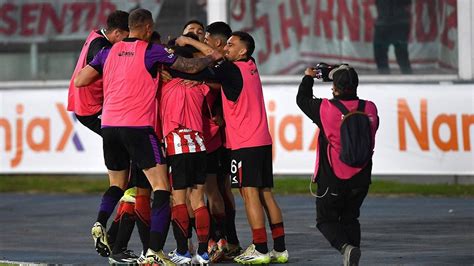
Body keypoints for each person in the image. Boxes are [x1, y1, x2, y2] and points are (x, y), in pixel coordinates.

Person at [74, 8, 221, 265]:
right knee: (161, 187)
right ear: (148, 28)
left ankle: (100, 221)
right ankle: (154, 250)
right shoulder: (150, 50)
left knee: (118, 185)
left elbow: (80, 80)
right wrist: (211, 58)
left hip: (109, 126)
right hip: (138, 127)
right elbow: (188, 65)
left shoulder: (109, 52)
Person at [179, 31, 289, 264]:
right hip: (261, 140)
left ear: (243, 51)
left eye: (231, 44)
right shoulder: (250, 65)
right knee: (266, 194)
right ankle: (279, 249)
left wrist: (188, 41)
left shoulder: (231, 69)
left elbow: (206, 63)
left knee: (249, 195)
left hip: (244, 143)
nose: (226, 48)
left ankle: (259, 248)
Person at [296, 65, 379, 266]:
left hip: (333, 177)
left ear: (334, 87)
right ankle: (352, 256)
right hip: (361, 176)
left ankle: (346, 248)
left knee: (325, 220)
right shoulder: (370, 108)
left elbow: (302, 100)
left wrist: (308, 77)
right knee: (351, 218)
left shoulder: (326, 108)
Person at [203, 21, 242, 262]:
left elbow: (221, 88)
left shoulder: (223, 65)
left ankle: (220, 240)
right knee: (211, 190)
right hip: (208, 136)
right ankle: (224, 240)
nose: (200, 39)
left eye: (202, 35)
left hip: (216, 138)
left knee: (216, 188)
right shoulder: (215, 65)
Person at [67, 10, 129, 136]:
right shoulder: (102, 48)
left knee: (120, 139)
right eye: (127, 37)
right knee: (120, 138)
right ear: (117, 32)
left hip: (87, 102)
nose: (128, 42)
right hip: (91, 108)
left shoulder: (96, 34)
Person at [373, 0, 412, 74]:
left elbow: (407, 4)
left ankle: (409, 80)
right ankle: (385, 79)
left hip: (396, 23)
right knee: (381, 55)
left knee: (401, 55)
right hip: (388, 22)